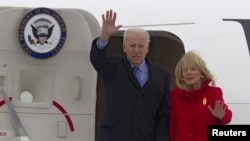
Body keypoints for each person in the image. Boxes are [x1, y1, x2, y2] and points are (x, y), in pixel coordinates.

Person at [90, 9, 170, 141]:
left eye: (140, 46)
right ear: (124, 48)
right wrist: (104, 37)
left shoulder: (162, 76)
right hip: (114, 136)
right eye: (132, 46)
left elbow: (163, 115)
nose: (136, 51)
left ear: (147, 48)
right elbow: (97, 59)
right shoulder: (113, 66)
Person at [169, 50, 232, 141]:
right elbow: (171, 126)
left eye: (193, 69)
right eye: (185, 70)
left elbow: (227, 115)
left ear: (201, 73)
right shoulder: (175, 96)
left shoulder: (214, 93)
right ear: (181, 76)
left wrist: (221, 117)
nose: (189, 73)